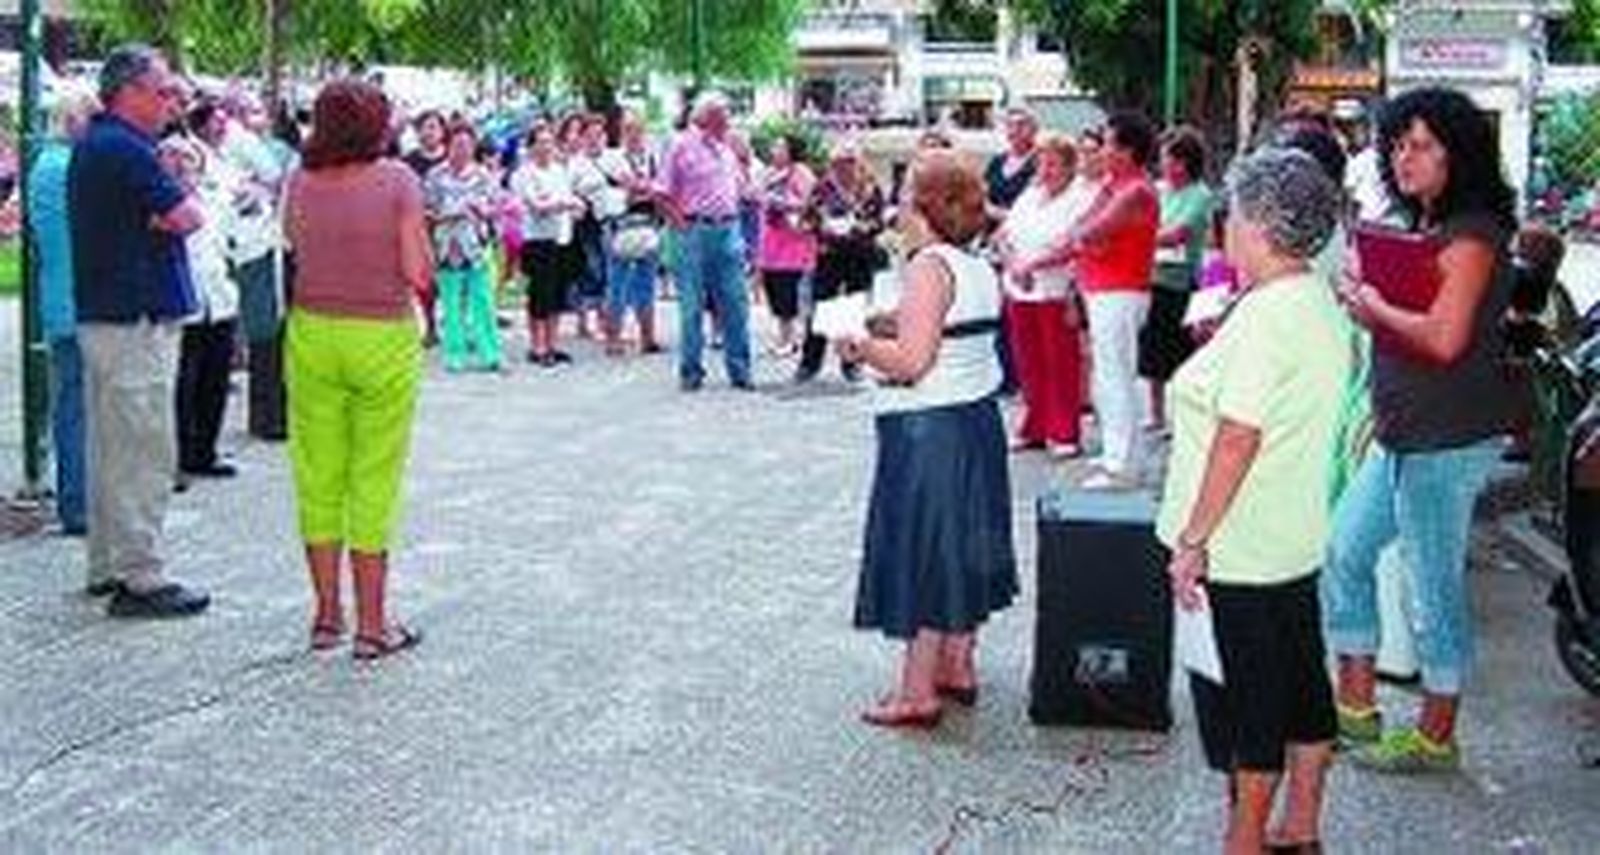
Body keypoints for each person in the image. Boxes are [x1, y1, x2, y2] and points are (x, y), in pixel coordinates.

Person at [1326, 86, 1525, 772]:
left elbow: (1442, 340)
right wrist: (1366, 303)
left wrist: (1375, 305)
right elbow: (1410, 330)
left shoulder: (1470, 234)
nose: (1403, 157)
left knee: (1431, 588)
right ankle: (1354, 702)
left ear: (1458, 153)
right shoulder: (1424, 226)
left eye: (1422, 145)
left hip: (1447, 438)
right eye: (1397, 144)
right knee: (1345, 550)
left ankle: (1437, 734)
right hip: (1405, 432)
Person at [1160, 147, 1348, 855]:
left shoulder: (1268, 315)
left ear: (1259, 224)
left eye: (1231, 216)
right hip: (1291, 531)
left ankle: (1243, 839)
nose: (1224, 229)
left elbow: (1237, 438)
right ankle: (1300, 823)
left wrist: (1193, 538)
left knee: (1250, 700)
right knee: (1301, 678)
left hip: (1239, 541)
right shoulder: (1311, 301)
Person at [840, 149, 1017, 728]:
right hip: (974, 420)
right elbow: (953, 332)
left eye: (907, 189)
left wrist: (860, 345)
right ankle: (957, 661)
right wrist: (889, 324)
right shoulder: (975, 265)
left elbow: (913, 361)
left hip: (928, 428)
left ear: (922, 204)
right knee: (963, 541)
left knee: (923, 549)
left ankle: (917, 690)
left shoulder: (925, 267)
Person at [283, 79, 429, 660]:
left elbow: (292, 241)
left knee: (318, 472)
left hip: (313, 331)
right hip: (381, 336)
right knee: (373, 476)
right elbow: (417, 270)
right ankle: (374, 626)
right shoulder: (397, 180)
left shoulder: (300, 181)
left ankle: (326, 615)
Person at [70, 44, 210, 617]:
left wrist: (164, 209)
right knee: (143, 448)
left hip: (110, 314)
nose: (171, 102)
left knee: (111, 446)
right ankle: (141, 575)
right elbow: (187, 216)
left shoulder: (98, 145)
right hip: (134, 319)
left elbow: (165, 215)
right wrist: (171, 204)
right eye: (163, 91)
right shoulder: (128, 150)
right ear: (128, 91)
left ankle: (108, 562)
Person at [1022, 112, 1159, 490]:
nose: (1103, 151)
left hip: (1120, 291)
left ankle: (1123, 464)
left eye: (1111, 144)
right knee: (1108, 376)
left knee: (1116, 376)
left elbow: (1089, 231)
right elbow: (1081, 230)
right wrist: (1081, 240)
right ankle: (1121, 454)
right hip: (1103, 290)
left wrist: (1084, 240)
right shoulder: (1116, 186)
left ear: (1129, 151)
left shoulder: (1135, 191)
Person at [994, 133, 1097, 457]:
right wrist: (1014, 265)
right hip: (1019, 289)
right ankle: (1035, 425)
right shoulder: (1029, 195)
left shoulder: (1083, 198)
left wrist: (1034, 265)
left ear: (1070, 166)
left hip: (1056, 290)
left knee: (1061, 363)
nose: (1046, 168)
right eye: (1042, 161)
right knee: (1028, 363)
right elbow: (1003, 235)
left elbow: (1075, 244)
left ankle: (1064, 431)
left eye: (1053, 162)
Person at [33, 87, 98, 536]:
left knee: (70, 404)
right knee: (81, 408)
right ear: (75, 122)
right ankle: (79, 504)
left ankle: (73, 499)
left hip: (58, 300)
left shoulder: (43, 168)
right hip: (86, 302)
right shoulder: (73, 168)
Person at [660, 91, 754, 391]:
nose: (729, 119)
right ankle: (691, 371)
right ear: (707, 116)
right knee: (691, 306)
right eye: (724, 113)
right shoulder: (679, 145)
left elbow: (741, 188)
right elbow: (662, 192)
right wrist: (680, 223)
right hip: (694, 231)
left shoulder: (726, 149)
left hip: (729, 229)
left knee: (736, 303)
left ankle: (740, 370)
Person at [163, 134, 240, 482]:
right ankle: (176, 456)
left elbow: (238, 243)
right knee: (182, 382)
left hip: (218, 299)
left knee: (214, 380)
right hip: (181, 301)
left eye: (189, 159)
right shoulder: (159, 201)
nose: (181, 166)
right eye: (173, 158)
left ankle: (204, 452)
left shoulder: (216, 200)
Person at [1140, 126, 1212, 434]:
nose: (1164, 165)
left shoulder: (1200, 195)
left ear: (1185, 162)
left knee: (1180, 350)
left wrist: (1142, 239)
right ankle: (1155, 413)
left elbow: (1177, 234)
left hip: (1181, 281)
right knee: (1153, 350)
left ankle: (1180, 414)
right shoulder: (1157, 190)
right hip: (1151, 277)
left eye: (1170, 159)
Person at [796, 139, 885, 384]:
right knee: (821, 307)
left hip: (859, 253)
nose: (845, 167)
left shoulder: (869, 187)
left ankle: (852, 363)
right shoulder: (823, 188)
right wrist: (824, 229)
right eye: (840, 162)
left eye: (850, 161)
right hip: (829, 254)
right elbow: (806, 220)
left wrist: (860, 228)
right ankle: (810, 362)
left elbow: (879, 222)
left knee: (854, 309)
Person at [424, 122, 503, 372]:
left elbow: (495, 207)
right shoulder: (436, 175)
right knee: (451, 302)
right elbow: (426, 210)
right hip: (448, 245)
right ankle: (454, 354)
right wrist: (446, 216)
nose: (462, 150)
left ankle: (490, 353)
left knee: (483, 300)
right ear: (448, 145)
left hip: (475, 245)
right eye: (457, 144)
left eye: (468, 145)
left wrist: (484, 211)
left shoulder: (483, 174)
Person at [512, 124, 585, 368]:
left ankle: (553, 343)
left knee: (557, 293)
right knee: (539, 294)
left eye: (549, 142)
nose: (545, 147)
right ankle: (537, 345)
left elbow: (569, 198)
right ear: (531, 147)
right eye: (540, 142)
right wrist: (563, 204)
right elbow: (536, 205)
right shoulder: (523, 174)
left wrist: (574, 206)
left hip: (562, 237)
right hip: (536, 239)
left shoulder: (559, 171)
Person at [985, 106, 1041, 397]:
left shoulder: (1039, 162)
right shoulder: (997, 162)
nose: (1015, 131)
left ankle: (1021, 375)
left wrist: (1001, 213)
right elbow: (982, 197)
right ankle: (1003, 374)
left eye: (1022, 125)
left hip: (1025, 241)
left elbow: (1030, 205)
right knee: (997, 311)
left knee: (1016, 310)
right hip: (995, 242)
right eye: (1011, 126)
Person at [602, 111, 664, 355]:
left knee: (647, 284)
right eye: (628, 129)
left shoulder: (652, 158)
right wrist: (644, 189)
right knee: (616, 285)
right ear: (621, 132)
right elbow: (634, 187)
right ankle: (612, 339)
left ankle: (648, 337)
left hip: (648, 225)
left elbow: (656, 189)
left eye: (638, 129)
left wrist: (643, 189)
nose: (634, 135)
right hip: (621, 225)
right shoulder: (614, 158)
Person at [757, 134, 817, 356]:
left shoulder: (801, 173)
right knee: (775, 290)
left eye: (780, 146)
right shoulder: (769, 173)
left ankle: (792, 339)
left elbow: (809, 203)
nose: (774, 150)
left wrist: (781, 202)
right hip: (771, 243)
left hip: (793, 245)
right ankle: (784, 337)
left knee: (789, 291)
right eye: (774, 146)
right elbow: (758, 196)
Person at [403, 110, 447, 347]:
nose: (429, 132)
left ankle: (456, 325)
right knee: (426, 280)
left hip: (451, 226)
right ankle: (430, 325)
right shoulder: (407, 162)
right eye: (425, 127)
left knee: (454, 277)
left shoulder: (452, 158)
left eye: (434, 127)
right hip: (421, 227)